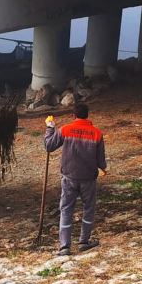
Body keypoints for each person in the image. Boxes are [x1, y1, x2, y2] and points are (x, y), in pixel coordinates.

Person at [44, 103, 107, 256]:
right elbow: (101, 161)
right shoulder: (97, 133)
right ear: (87, 115)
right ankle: (84, 242)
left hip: (69, 177)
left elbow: (49, 146)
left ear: (74, 115)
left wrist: (50, 128)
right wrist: (102, 169)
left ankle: (64, 246)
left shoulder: (65, 129)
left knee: (66, 209)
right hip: (88, 178)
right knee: (88, 209)